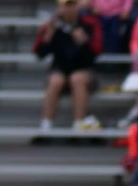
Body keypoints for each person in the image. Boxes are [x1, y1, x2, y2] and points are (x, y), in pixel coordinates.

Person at [34, 0, 103, 133]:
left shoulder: (89, 23)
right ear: (59, 7)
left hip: (85, 69)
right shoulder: (51, 25)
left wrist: (84, 42)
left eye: (71, 5)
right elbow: (40, 54)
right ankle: (45, 126)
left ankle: (78, 124)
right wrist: (48, 35)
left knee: (77, 78)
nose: (68, 9)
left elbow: (97, 51)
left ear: (77, 6)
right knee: (55, 80)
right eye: (65, 5)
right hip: (60, 69)